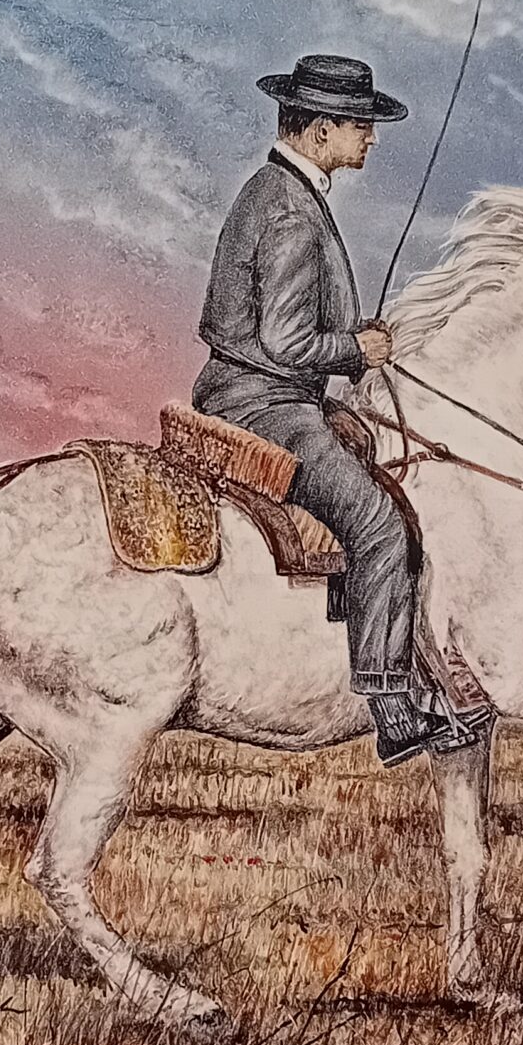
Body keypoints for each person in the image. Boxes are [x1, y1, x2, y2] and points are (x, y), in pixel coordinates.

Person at [192, 52, 489, 766]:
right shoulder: (291, 211)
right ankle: (393, 709)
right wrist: (359, 347)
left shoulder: (277, 189)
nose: (372, 138)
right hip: (263, 405)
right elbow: (286, 341)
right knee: (380, 525)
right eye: (362, 125)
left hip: (252, 391)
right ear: (322, 130)